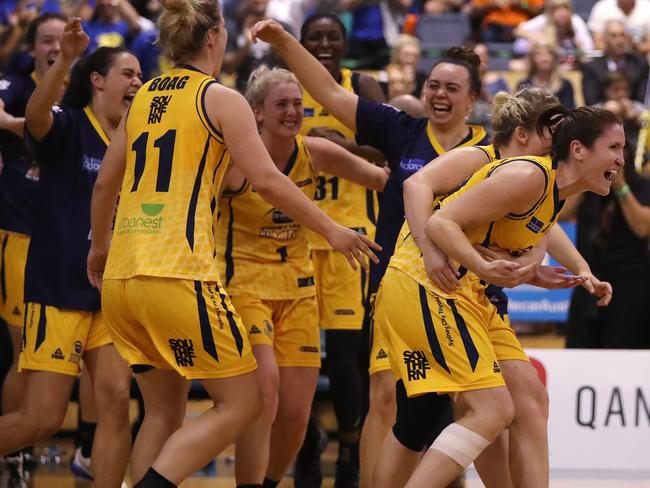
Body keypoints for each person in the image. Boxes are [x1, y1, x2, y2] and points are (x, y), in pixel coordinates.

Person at [87, 0, 381, 486]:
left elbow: (104, 186)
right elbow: (266, 178)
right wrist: (330, 227)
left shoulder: (141, 99)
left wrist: (98, 248)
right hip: (178, 272)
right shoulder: (221, 99)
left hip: (120, 276)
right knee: (245, 402)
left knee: (162, 412)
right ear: (213, 38)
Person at [250, 20, 489, 487]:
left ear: (472, 100)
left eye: (452, 88)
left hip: (461, 289)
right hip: (397, 285)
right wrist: (281, 41)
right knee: (384, 394)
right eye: (432, 85)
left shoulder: (488, 148)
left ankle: (448, 478)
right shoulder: (401, 130)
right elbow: (330, 93)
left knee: (468, 401)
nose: (439, 94)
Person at [372, 87, 612, 487]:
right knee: (445, 416)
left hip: (473, 290)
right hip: (428, 281)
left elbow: (535, 237)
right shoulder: (495, 161)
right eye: (552, 130)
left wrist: (566, 270)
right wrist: (435, 253)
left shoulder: (545, 184)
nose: (558, 142)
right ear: (524, 133)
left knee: (523, 404)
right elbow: (419, 191)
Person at [219, 65, 387, 488]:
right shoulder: (233, 161)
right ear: (256, 112)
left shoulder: (315, 151)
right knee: (265, 394)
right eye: (282, 104)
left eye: (298, 104)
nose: (293, 112)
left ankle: (270, 481)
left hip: (297, 290)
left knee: (296, 416)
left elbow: (383, 179)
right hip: (243, 289)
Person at [0, 19, 143, 488]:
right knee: (41, 419)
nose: (137, 83)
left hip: (110, 294)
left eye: (141, 76)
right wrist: (66, 58)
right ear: (98, 80)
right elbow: (37, 116)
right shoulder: (68, 123)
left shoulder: (137, 144)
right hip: (58, 288)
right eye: (128, 73)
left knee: (116, 401)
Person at [296, 12, 386, 486]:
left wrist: (341, 145)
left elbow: (392, 152)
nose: (325, 44)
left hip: (352, 234)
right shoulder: (285, 86)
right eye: (316, 38)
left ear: (346, 43)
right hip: (294, 237)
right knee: (300, 355)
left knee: (346, 356)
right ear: (302, 43)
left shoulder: (362, 85)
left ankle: (351, 452)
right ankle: (306, 441)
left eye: (333, 37)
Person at [0, 12, 65, 482]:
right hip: (21, 236)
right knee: (25, 354)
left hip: (67, 242)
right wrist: (33, 125)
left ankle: (82, 449)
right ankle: (12, 456)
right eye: (46, 40)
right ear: (32, 47)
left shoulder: (83, 89)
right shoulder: (14, 83)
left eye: (62, 40)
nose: (55, 47)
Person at [581, 19, 649, 106]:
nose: (619, 40)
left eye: (622, 35)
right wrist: (607, 108)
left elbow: (644, 100)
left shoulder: (640, 64)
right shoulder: (592, 67)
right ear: (605, 39)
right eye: (614, 36)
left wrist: (631, 107)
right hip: (601, 116)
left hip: (633, 114)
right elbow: (590, 102)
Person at [517, 41, 576, 108]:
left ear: (554, 58)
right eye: (539, 54)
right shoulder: (524, 86)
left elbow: (571, 112)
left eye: (549, 54)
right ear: (532, 59)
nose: (544, 59)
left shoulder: (566, 85)